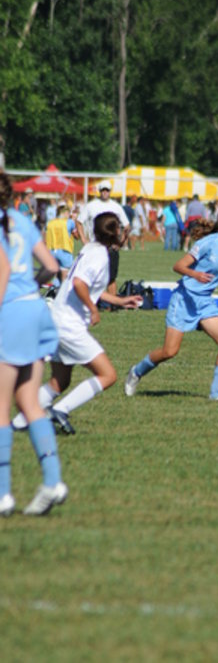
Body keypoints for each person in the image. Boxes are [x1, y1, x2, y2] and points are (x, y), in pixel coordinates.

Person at [12, 213, 142, 437]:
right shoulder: (99, 256)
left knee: (60, 381)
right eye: (120, 229)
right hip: (68, 325)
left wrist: (120, 301)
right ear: (115, 233)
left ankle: (18, 423)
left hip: (57, 319)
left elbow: (88, 287)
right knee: (108, 375)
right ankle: (60, 410)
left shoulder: (91, 249)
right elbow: (80, 284)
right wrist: (93, 309)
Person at [124, 206, 218, 401]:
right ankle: (136, 372)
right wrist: (195, 274)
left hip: (205, 302)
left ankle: (217, 393)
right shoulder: (207, 243)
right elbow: (178, 266)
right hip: (184, 299)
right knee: (170, 351)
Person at [0, 172, 68, 516]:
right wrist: (29, 286)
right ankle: (52, 480)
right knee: (28, 401)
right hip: (36, 310)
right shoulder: (21, 220)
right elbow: (52, 266)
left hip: (11, 314)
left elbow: (2, 271)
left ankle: (3, 493)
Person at [76, 180, 130, 296]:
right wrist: (84, 240)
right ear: (99, 191)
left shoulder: (116, 207)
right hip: (94, 246)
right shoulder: (91, 206)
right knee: (91, 277)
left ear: (110, 191)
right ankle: (92, 301)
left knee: (111, 278)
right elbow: (79, 222)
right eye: (103, 190)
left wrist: (120, 243)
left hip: (110, 248)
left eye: (107, 190)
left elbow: (127, 226)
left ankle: (112, 303)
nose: (105, 192)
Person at [45, 204, 77, 283]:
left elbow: (45, 235)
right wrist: (74, 220)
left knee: (56, 275)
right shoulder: (69, 222)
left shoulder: (50, 222)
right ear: (65, 213)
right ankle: (62, 290)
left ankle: (55, 288)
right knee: (65, 276)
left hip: (52, 250)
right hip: (64, 250)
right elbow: (76, 236)